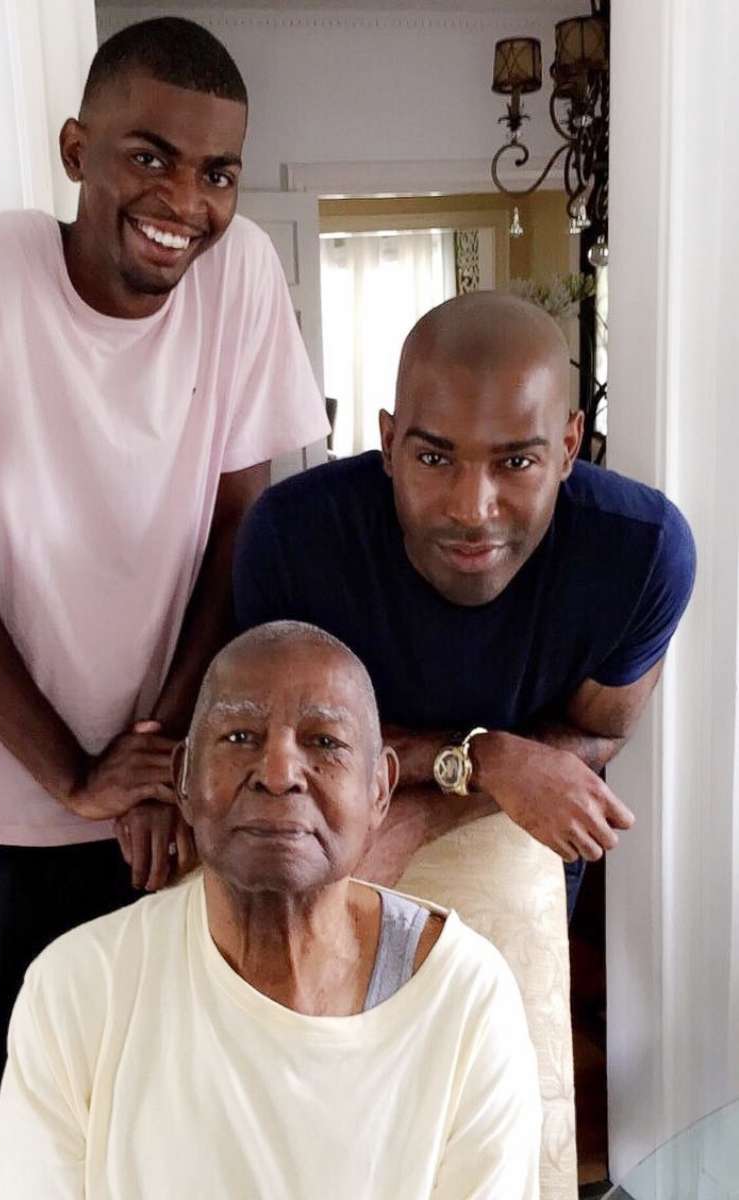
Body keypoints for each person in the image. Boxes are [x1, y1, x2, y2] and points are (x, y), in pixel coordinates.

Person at [0, 17, 328, 1198]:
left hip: (153, 829)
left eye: (217, 171)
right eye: (150, 155)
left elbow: (240, 536)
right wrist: (73, 774)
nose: (185, 198)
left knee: (152, 1150)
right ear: (77, 148)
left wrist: (158, 758)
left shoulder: (241, 283)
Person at [233, 292, 696, 1198]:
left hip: (511, 831)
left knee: (489, 1106)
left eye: (515, 461)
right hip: (337, 818)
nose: (470, 508)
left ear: (567, 446)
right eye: (433, 457)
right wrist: (480, 756)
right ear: (385, 439)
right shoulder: (292, 537)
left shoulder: (639, 552)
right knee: (311, 1103)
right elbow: (282, 747)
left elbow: (593, 739)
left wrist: (442, 788)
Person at [0, 621, 542, 1200]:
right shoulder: (79, 989)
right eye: (241, 736)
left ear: (379, 792)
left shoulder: (465, 998)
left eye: (324, 742)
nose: (278, 774)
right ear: (184, 782)